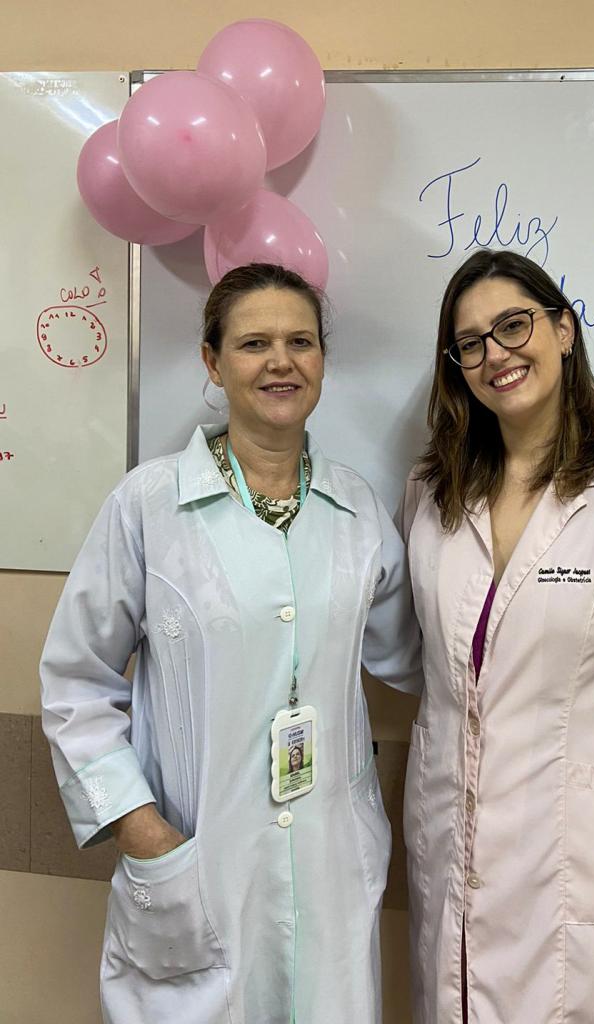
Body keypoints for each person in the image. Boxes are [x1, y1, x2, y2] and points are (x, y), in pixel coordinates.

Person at [40, 263, 421, 1024]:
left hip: (330, 864)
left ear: (322, 360)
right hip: (198, 860)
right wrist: (141, 830)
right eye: (254, 343)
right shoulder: (148, 505)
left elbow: (414, 651)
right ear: (213, 362)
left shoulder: (355, 509)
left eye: (301, 342)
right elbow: (75, 682)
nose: (281, 361)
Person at [398, 250, 594, 1023]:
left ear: (564, 331)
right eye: (469, 342)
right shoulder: (430, 493)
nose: (494, 355)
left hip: (580, 866)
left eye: (513, 326)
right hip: (452, 857)